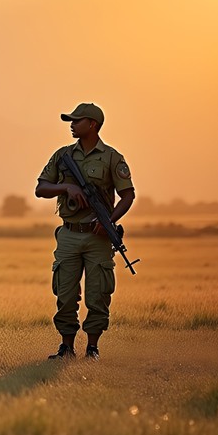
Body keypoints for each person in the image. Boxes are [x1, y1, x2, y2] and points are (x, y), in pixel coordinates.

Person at [35, 103, 135, 360]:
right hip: (69, 234)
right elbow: (41, 188)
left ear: (93, 124)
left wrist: (109, 221)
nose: (71, 124)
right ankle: (66, 347)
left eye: (77, 120)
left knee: (98, 293)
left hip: (98, 236)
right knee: (65, 293)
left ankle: (92, 348)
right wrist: (66, 188)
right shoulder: (63, 155)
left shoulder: (113, 158)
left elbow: (127, 195)